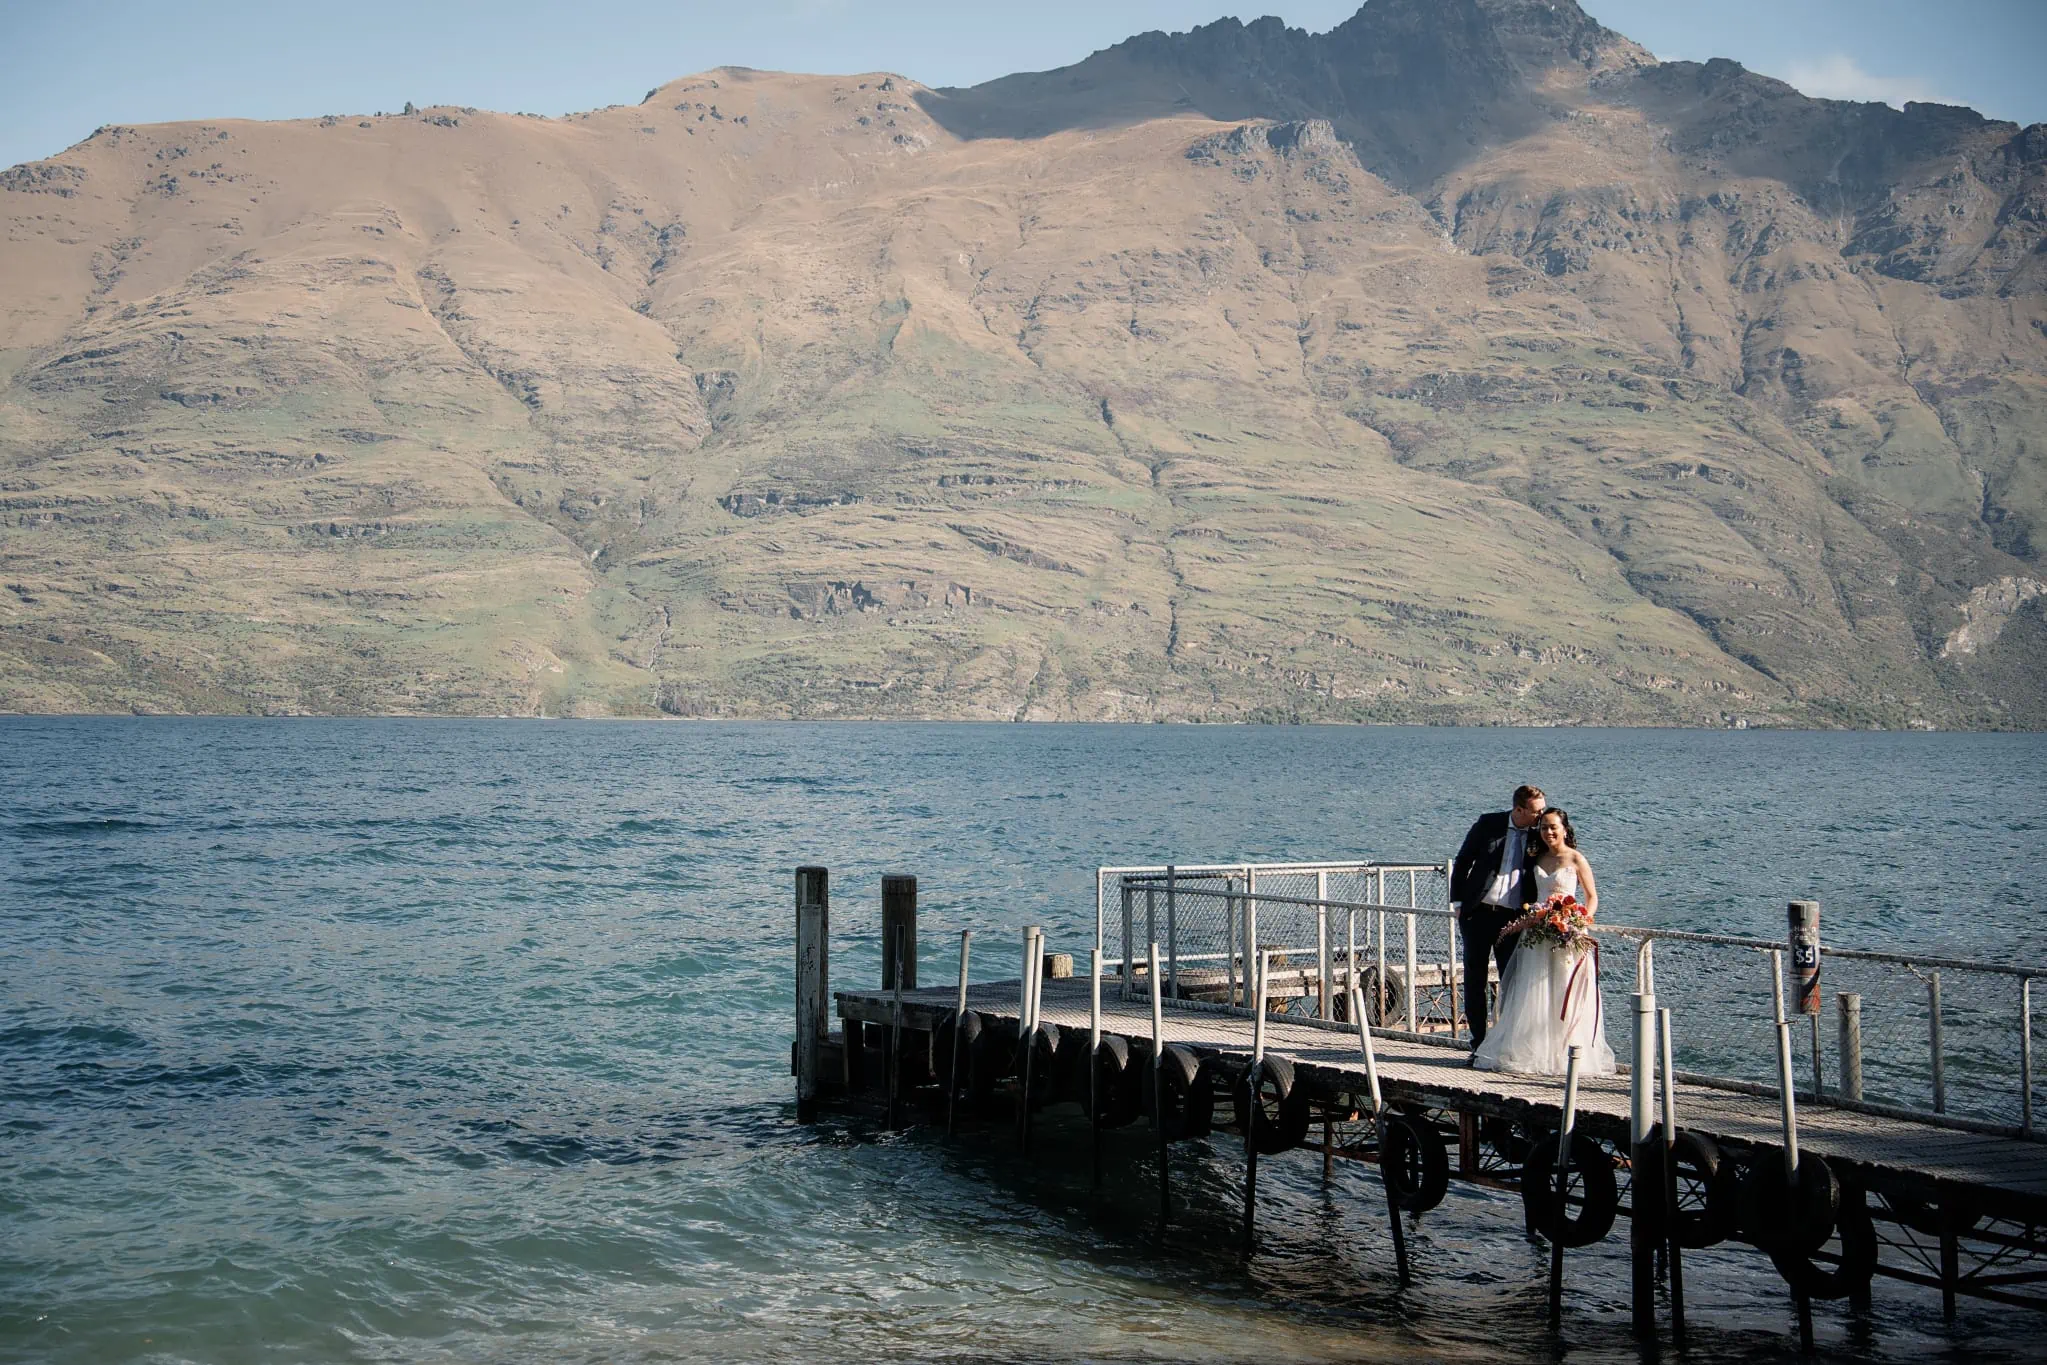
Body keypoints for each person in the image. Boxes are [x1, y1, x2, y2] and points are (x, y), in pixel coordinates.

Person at [1470, 808, 1616, 1076]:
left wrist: (1579, 920)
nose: (1548, 832)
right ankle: (1535, 1052)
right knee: (1534, 992)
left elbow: (1591, 897)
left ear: (1564, 829)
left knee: (1563, 991)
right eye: (1544, 827)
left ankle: (1567, 1054)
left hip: (1567, 935)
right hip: (1538, 934)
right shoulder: (1536, 858)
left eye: (1553, 827)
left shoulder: (1576, 858)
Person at [1450, 783, 1546, 1048]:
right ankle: (1478, 1042)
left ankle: (1508, 1042)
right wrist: (1458, 902)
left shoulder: (1538, 833)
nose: (1541, 816)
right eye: (1537, 811)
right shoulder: (1488, 824)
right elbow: (1463, 860)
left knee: (1512, 980)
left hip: (1513, 917)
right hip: (1478, 913)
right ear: (1519, 809)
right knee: (1475, 978)